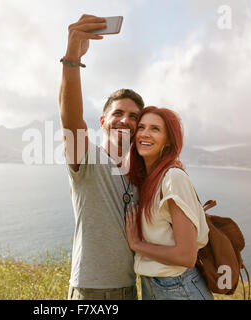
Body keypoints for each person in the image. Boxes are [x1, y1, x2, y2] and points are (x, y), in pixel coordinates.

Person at [59, 14, 145, 300]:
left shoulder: (141, 172)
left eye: (133, 117)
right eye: (117, 113)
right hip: (89, 292)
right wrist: (72, 59)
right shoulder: (88, 160)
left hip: (130, 290)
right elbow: (71, 121)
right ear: (103, 121)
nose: (124, 120)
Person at [125, 106, 214, 300]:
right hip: (155, 285)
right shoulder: (148, 179)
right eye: (141, 127)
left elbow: (186, 256)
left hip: (178, 288)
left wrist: (136, 244)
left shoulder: (173, 178)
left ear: (168, 141)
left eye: (155, 129)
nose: (145, 134)